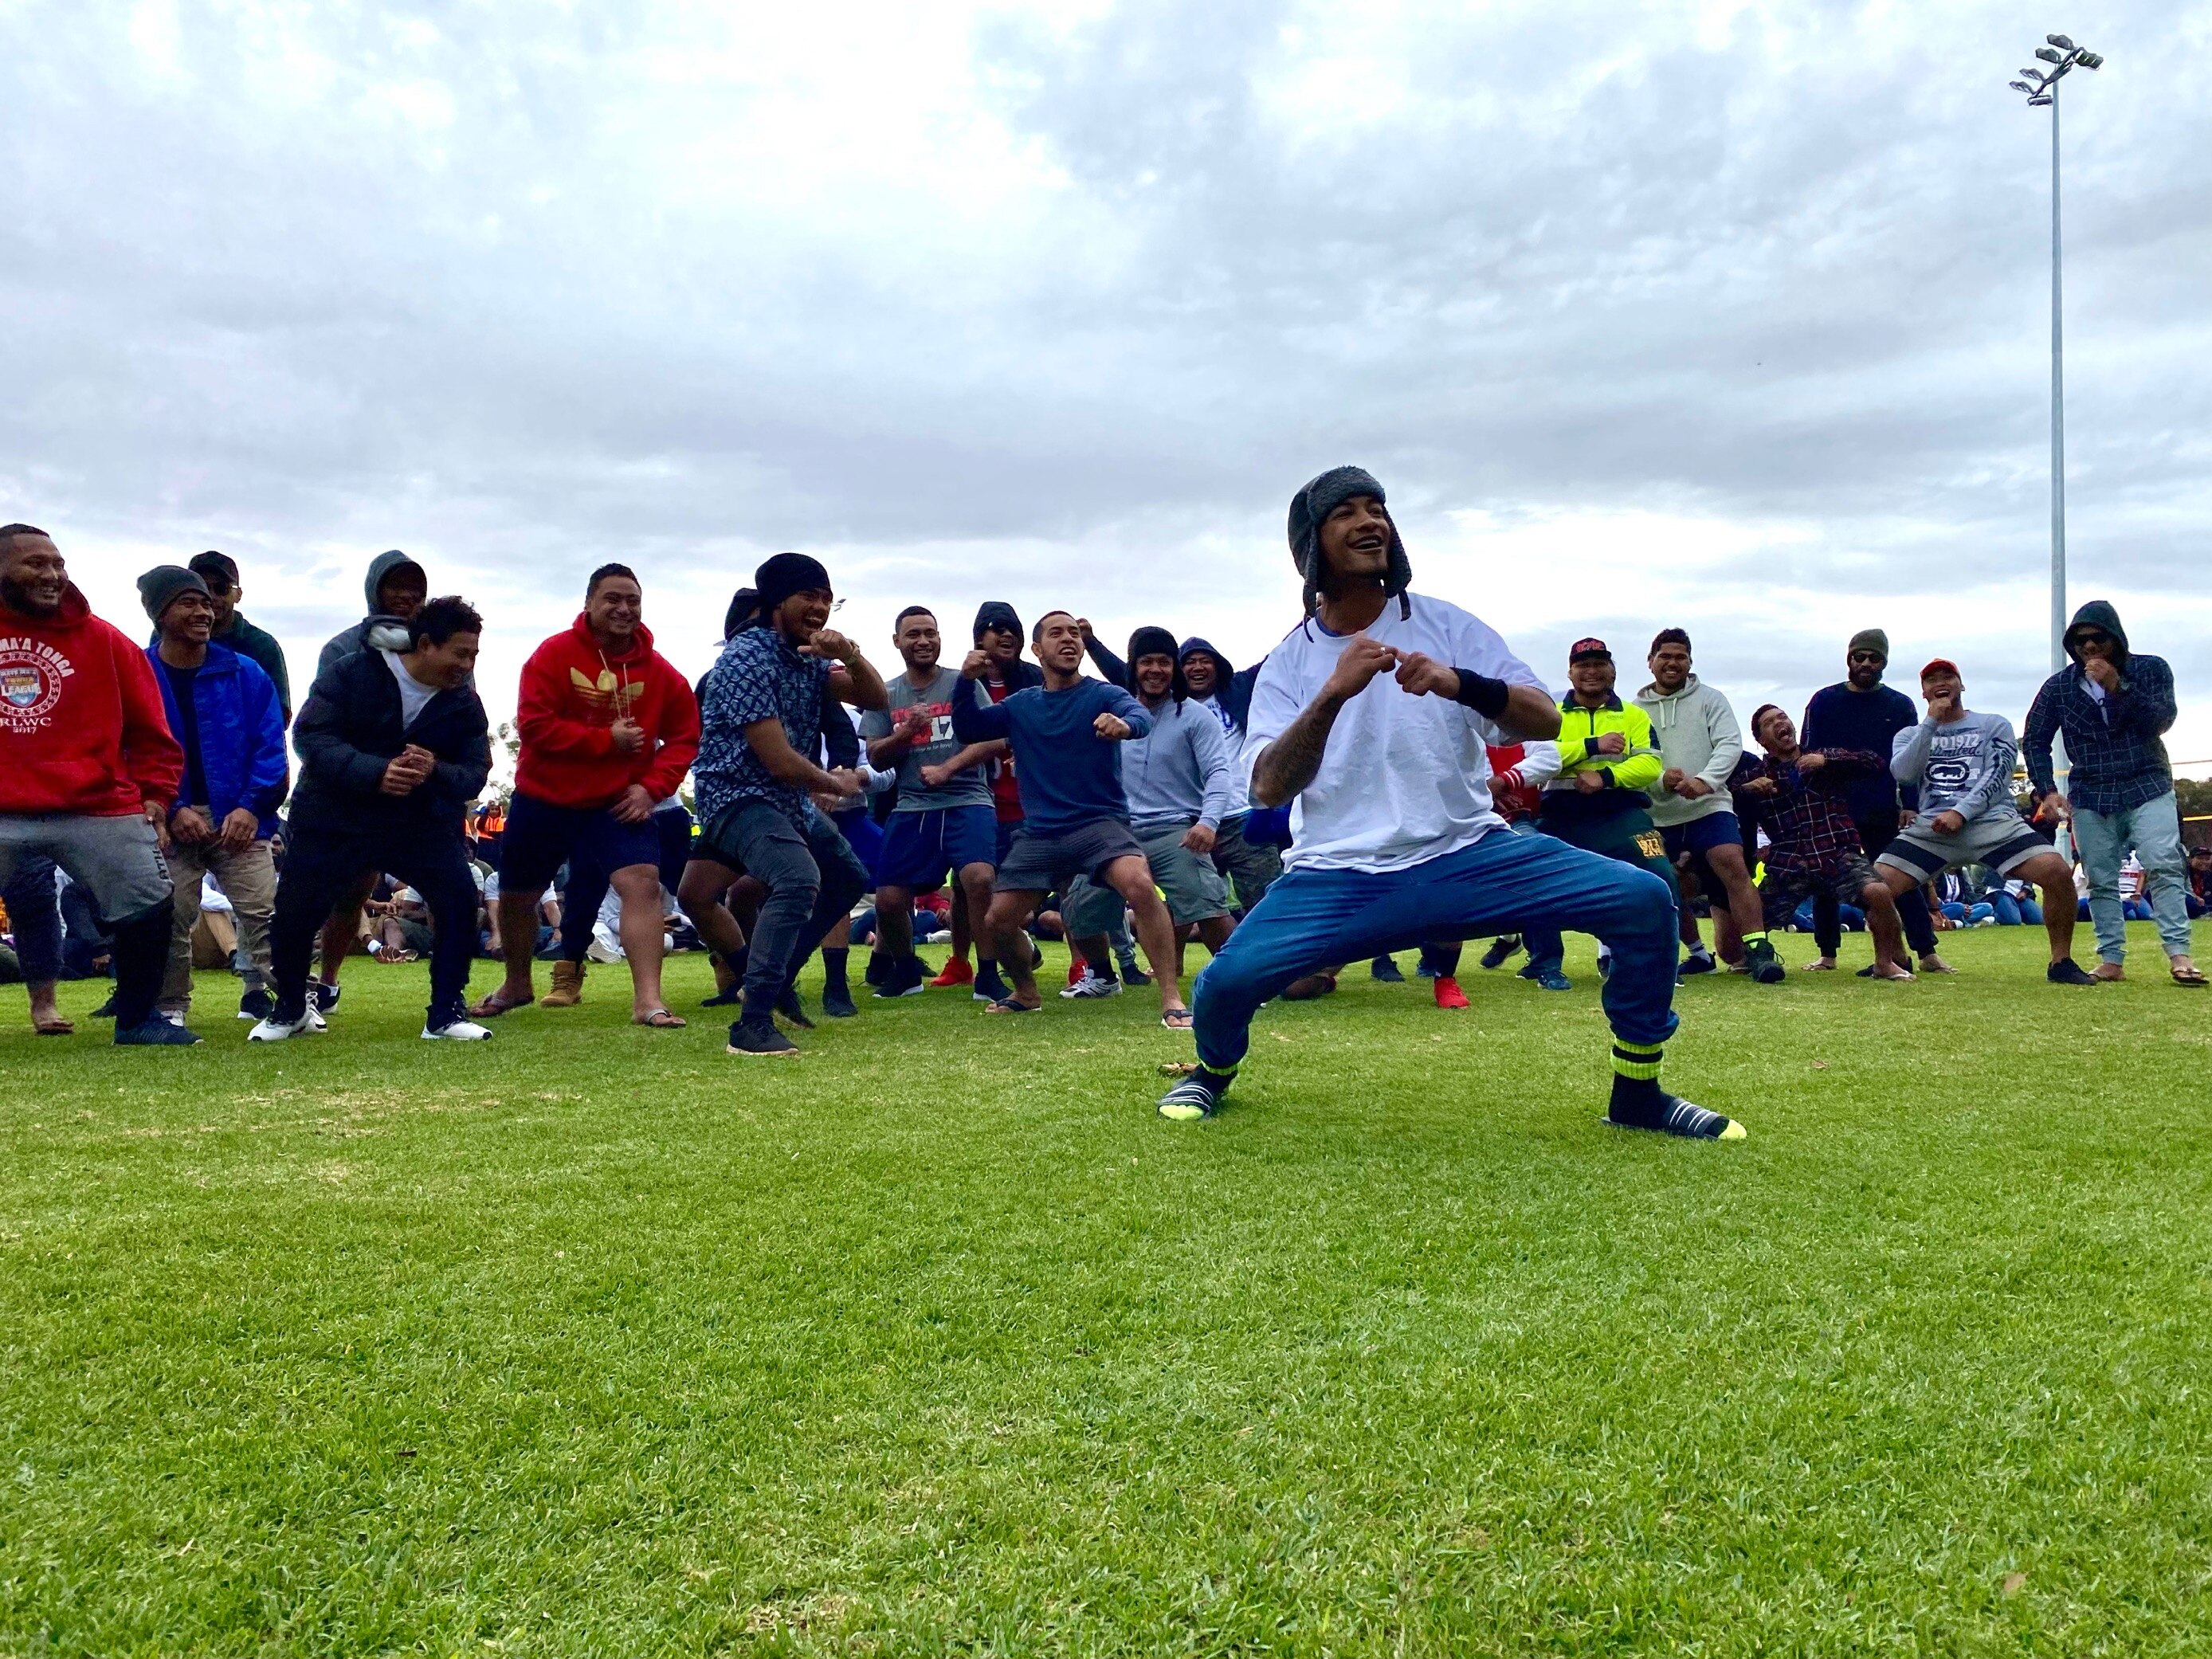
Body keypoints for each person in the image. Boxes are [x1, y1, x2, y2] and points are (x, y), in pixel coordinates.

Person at [1159, 467, 1742, 1139]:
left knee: (1643, 899)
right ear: (1311, 546)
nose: (1371, 520)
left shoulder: (1447, 624)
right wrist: (1332, 694)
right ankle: (1211, 1072)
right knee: (1222, 989)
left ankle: (1638, 1094)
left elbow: (1545, 722)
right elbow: (1266, 786)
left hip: (1469, 854)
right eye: (1346, 511)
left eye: (1377, 506)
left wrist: (1459, 682)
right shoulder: (1290, 663)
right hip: (1336, 874)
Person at [251, 597, 494, 1041]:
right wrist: (375, 772)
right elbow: (309, 736)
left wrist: (433, 770)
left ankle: (445, 1014)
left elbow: (476, 773)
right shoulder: (352, 672)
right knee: (296, 908)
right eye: (461, 652)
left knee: (459, 898)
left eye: (474, 654)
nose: (467, 664)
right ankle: (290, 1009)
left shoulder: (463, 702)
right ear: (425, 644)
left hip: (418, 823)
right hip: (334, 816)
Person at [469, 564, 700, 1026]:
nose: (624, 608)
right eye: (612, 598)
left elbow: (685, 736)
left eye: (632, 600)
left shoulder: (659, 672)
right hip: (545, 796)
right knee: (517, 894)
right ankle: (517, 983)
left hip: (616, 802)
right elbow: (534, 725)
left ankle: (648, 1002)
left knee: (642, 883)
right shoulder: (553, 655)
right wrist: (605, 741)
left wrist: (651, 789)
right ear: (590, 604)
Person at [686, 553, 888, 1057]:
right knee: (798, 878)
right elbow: (777, 760)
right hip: (736, 795)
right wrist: (834, 783)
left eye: (827, 599)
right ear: (778, 602)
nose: (820, 608)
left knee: (846, 874)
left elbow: (876, 698)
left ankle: (775, 982)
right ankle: (751, 1025)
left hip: (783, 800)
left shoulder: (808, 658)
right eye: (809, 597)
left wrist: (851, 653)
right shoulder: (745, 659)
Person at [0, 524, 194, 1045]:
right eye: (35, 564)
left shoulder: (106, 641)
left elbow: (152, 732)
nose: (52, 574)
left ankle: (137, 1020)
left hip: (95, 803)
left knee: (149, 896)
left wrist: (154, 797)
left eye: (57, 563)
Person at [950, 610, 1191, 1025]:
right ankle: (1026, 993)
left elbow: (1141, 717)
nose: (1070, 640)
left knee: (1139, 884)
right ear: (1037, 650)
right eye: (1057, 633)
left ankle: (1171, 998)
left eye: (1075, 633)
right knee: (998, 920)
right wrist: (965, 680)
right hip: (1041, 833)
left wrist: (1124, 725)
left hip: (1100, 825)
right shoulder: (1022, 704)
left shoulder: (1102, 694)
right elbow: (970, 727)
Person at [1873, 659, 2096, 984]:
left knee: (2057, 871)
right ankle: (1894, 958)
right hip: (1932, 829)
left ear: (1962, 684)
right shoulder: (1910, 734)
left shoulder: (1993, 723)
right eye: (1931, 680)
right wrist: (1931, 724)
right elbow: (1904, 774)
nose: (1941, 683)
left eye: (1948, 676)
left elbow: (1999, 775)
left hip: (1993, 822)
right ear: (1923, 692)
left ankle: (2061, 961)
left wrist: (1960, 812)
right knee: (1875, 887)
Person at [137, 565, 290, 1022]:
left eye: (206, 602)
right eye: (189, 602)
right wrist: (172, 809)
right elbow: (129, 746)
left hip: (242, 816)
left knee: (264, 912)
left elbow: (271, 744)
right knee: (171, 914)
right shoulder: (139, 673)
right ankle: (169, 1009)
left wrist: (250, 806)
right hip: (170, 817)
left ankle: (292, 1001)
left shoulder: (247, 672)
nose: (203, 611)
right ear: (160, 614)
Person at [2023, 602, 2201, 986]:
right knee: (2100, 878)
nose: (2088, 647)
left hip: (2147, 782)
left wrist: (2117, 686)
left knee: (2163, 864)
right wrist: (2048, 791)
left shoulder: (2150, 668)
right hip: (2091, 791)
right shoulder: (2059, 686)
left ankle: (2180, 955)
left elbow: (2161, 720)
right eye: (2079, 641)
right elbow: (2035, 739)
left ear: (2115, 638)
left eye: (2097, 638)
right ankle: (2111, 959)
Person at [1063, 626, 1237, 990]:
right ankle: (1102, 976)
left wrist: (1208, 822)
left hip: (1176, 829)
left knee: (1206, 903)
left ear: (1174, 668)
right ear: (1133, 667)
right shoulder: (1109, 713)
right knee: (1079, 908)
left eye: (1164, 662)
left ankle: (1239, 979)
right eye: (1146, 662)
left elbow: (1219, 773)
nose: (1155, 670)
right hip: (1117, 831)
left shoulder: (1195, 717)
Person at [308, 549, 435, 1016]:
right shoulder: (341, 649)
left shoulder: (439, 645)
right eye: (394, 585)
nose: (405, 595)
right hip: (357, 792)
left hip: (420, 790)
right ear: (374, 590)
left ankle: (448, 993)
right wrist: (371, 771)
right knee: (346, 891)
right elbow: (324, 728)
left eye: (414, 587)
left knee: (448, 887)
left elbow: (456, 715)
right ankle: (325, 981)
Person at [859, 606, 1005, 999]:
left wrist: (949, 768)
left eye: (930, 634)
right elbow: (874, 756)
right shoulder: (884, 694)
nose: (923, 641)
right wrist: (904, 733)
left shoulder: (964, 683)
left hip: (967, 798)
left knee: (978, 878)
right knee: (889, 898)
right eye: (913, 635)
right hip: (912, 805)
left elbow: (996, 738)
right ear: (897, 642)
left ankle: (988, 973)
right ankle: (905, 971)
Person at [1516, 638, 1678, 991]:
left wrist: (1605, 776)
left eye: (1599, 664)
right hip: (1562, 815)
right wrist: (1592, 747)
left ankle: (1657, 963)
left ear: (1613, 670)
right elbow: (1538, 755)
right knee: (1536, 873)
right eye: (1583, 665)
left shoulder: (1634, 715)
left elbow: (1651, 763)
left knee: (1660, 869)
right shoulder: (1550, 710)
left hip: (1625, 815)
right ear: (1570, 671)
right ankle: (1545, 963)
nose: (1591, 672)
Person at [1634, 629, 1779, 983]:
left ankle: (1759, 952)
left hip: (1710, 807)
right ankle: (1680, 956)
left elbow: (1730, 744)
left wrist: (1705, 781)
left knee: (1732, 863)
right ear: (1650, 662)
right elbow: (1632, 758)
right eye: (1665, 656)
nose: (1673, 662)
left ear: (1690, 662)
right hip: (1653, 815)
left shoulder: (1711, 699)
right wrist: (1659, 781)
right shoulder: (1633, 710)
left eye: (1681, 656)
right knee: (1658, 881)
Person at [1799, 630, 1948, 975]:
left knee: (1902, 876)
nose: (1866, 663)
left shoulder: (1899, 705)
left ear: (1884, 662)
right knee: (1827, 880)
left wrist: (1910, 803)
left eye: (1874, 658)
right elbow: (1810, 754)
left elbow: (1913, 757)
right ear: (1849, 659)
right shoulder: (1823, 701)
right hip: (1832, 807)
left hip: (1882, 805)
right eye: (1860, 656)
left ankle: (1927, 952)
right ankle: (1827, 954)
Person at [922, 600, 1046, 1002]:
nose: (1005, 634)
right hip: (979, 802)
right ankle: (961, 961)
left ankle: (1081, 963)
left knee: (1058, 881)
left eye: (1012, 628)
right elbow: (969, 731)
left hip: (1029, 804)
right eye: (995, 629)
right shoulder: (964, 682)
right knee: (964, 885)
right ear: (979, 638)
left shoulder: (1037, 680)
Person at [1740, 706, 1913, 980]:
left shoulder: (1820, 758)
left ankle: (1886, 962)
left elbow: (1874, 762)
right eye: (1770, 723)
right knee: (1746, 921)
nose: (1780, 723)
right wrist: (1746, 791)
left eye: (1783, 717)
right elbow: (1724, 797)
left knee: (1879, 892)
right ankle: (1754, 958)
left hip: (1836, 854)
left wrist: (1827, 759)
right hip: (1789, 862)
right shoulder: (1757, 774)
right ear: (1760, 740)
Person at [148, 552, 292, 722]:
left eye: (221, 589)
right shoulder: (164, 636)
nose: (211, 596)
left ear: (238, 594)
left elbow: (277, 716)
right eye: (201, 587)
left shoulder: (262, 645)